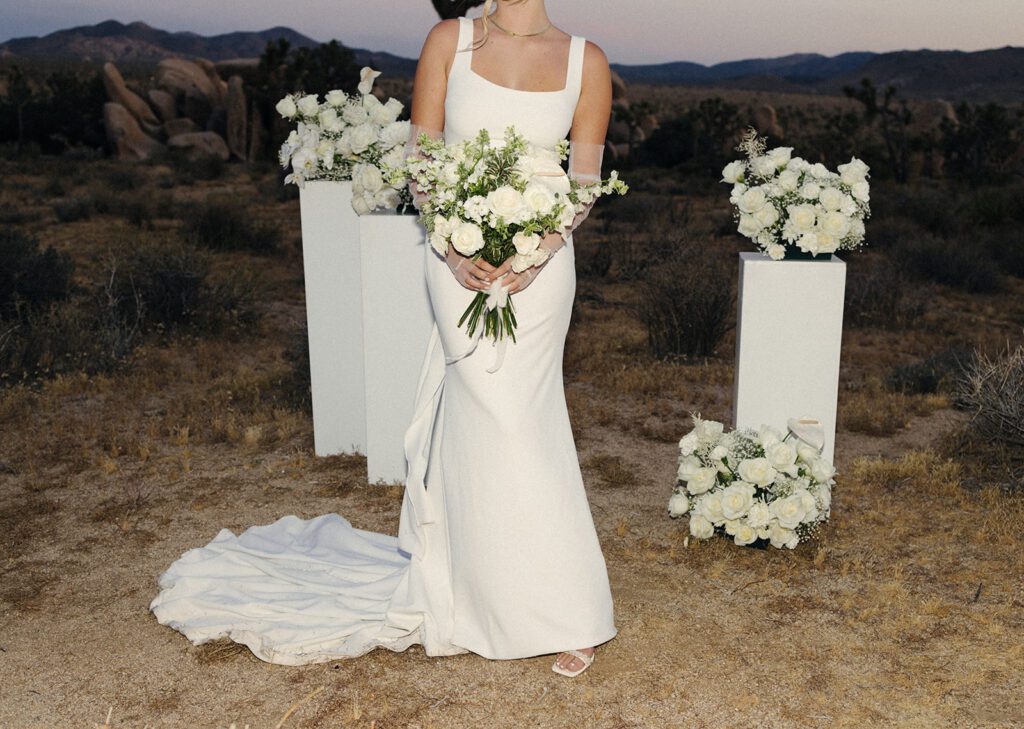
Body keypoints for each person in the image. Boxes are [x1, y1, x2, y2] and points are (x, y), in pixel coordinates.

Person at [147, 0, 616, 680]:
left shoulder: (587, 61)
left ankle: (565, 606)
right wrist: (456, 251)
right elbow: (423, 161)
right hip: (456, 258)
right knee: (487, 414)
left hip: (541, 274)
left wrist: (537, 251)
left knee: (527, 419)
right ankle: (473, 591)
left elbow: (584, 178)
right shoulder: (449, 41)